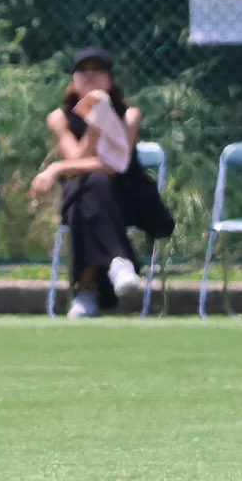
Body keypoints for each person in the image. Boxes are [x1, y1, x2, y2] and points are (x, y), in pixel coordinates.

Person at [30, 46, 171, 318]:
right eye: (83, 71)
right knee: (91, 188)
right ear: (73, 80)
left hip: (127, 194)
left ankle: (86, 292)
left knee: (93, 190)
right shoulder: (59, 118)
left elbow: (115, 164)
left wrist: (56, 168)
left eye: (99, 71)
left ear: (110, 79)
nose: (91, 76)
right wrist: (94, 123)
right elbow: (78, 160)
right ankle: (119, 262)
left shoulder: (130, 114)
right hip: (86, 191)